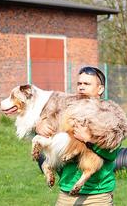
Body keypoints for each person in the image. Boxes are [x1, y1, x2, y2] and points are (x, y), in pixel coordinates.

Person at [36, 66, 120, 206]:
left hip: (97, 195)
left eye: (86, 84)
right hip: (66, 191)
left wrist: (89, 139)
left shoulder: (110, 114)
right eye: (79, 84)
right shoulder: (65, 109)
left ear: (100, 89)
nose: (81, 87)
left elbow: (112, 153)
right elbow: (51, 142)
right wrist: (40, 126)